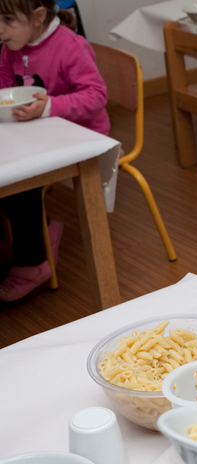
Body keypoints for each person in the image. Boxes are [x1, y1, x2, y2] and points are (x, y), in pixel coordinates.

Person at [0, 0, 108, 301]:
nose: (0, 29)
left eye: (7, 19)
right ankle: (39, 230)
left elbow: (97, 95)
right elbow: (5, 86)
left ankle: (33, 260)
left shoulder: (70, 46)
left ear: (37, 17)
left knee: (18, 182)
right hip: (35, 131)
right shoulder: (12, 47)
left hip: (82, 136)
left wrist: (50, 106)